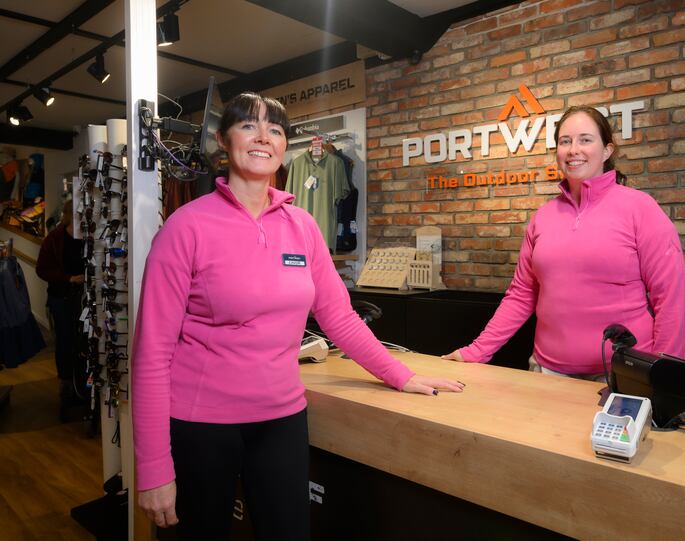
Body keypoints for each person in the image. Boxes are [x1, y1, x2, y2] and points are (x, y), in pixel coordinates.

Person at [132, 92, 464, 540]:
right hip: (202, 426)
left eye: (275, 129)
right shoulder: (185, 228)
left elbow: (340, 318)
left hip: (281, 420)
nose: (263, 137)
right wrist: (153, 468)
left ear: (285, 146)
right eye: (249, 125)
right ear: (223, 140)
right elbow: (151, 354)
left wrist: (400, 375)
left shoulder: (302, 225)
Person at [443, 106, 685, 380]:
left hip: (622, 374)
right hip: (546, 371)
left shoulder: (641, 209)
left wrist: (665, 374)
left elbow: (670, 299)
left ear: (607, 151)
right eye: (565, 141)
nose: (574, 150)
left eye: (585, 139)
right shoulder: (543, 218)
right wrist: (476, 351)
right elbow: (521, 295)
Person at [35, 199, 84, 419]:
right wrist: (69, 278)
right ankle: (66, 388)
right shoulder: (55, 239)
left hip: (83, 299)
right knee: (65, 342)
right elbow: (42, 269)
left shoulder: (89, 237)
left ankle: (82, 388)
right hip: (62, 298)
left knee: (83, 342)